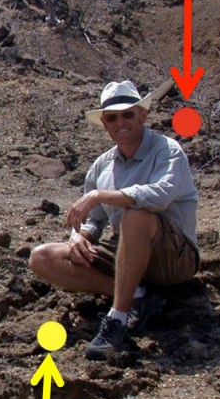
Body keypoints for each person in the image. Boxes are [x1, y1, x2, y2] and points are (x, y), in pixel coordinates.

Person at [29, 80, 199, 360]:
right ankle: (139, 297)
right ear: (104, 124)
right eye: (112, 117)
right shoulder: (102, 165)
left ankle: (117, 319)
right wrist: (80, 237)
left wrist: (100, 195)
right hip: (126, 253)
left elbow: (159, 196)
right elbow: (93, 221)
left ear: (143, 116)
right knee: (43, 257)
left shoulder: (167, 151)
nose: (120, 122)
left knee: (136, 215)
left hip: (173, 259)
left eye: (128, 114)